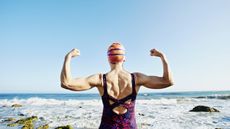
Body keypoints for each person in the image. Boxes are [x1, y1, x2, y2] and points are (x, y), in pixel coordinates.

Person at [60, 43, 173, 129]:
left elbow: (66, 83)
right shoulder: (136, 78)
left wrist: (68, 57)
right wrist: (163, 57)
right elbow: (168, 81)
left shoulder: (100, 79)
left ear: (108, 59)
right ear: (124, 58)